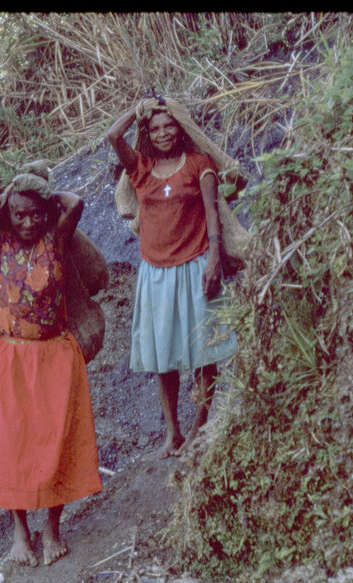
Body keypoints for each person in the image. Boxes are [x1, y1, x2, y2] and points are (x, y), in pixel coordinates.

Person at [0, 162, 103, 566]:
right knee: (15, 447)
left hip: (56, 358)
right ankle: (20, 534)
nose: (27, 222)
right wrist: (12, 191)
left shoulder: (56, 240)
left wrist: (41, 192)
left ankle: (52, 529)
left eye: (35, 213)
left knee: (56, 443)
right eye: (19, 214)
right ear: (8, 215)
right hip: (13, 359)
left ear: (46, 213)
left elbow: (75, 203)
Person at [107, 96, 240, 459]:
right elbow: (113, 136)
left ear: (181, 128)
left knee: (202, 351)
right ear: (147, 134)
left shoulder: (199, 165)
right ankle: (173, 434)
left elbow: (213, 214)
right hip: (155, 273)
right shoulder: (141, 168)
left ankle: (200, 424)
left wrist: (214, 258)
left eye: (170, 125)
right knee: (162, 356)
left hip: (196, 265)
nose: (163, 133)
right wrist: (138, 109)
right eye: (155, 128)